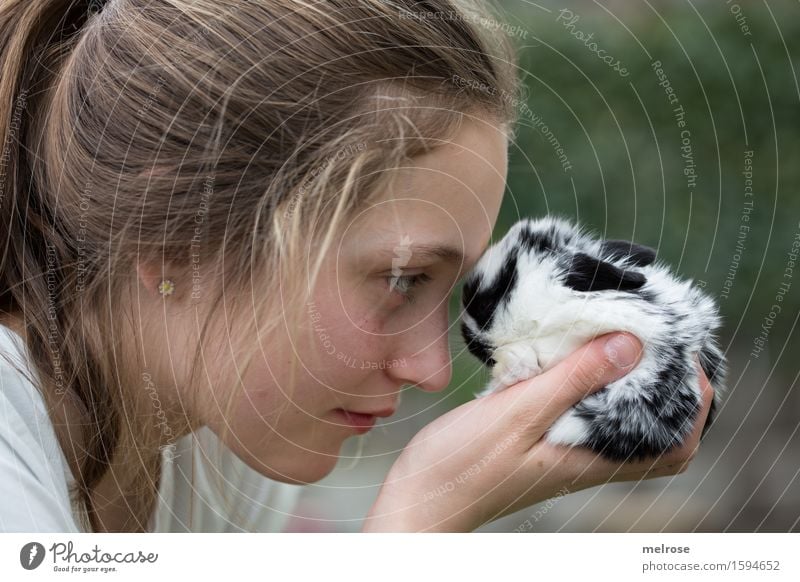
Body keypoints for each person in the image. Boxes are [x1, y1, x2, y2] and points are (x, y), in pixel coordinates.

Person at [0, 0, 714, 533]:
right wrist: (420, 522)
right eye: (401, 280)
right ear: (174, 236)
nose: (432, 371)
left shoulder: (219, 450)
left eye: (447, 285)